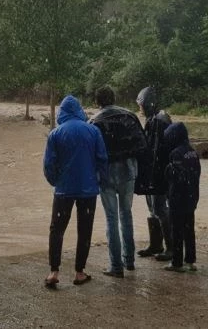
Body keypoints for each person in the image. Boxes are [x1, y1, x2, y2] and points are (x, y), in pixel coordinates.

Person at [43, 95, 108, 288]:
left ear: (62, 112)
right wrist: (99, 181)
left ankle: (54, 271)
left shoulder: (55, 134)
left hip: (64, 191)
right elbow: (102, 160)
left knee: (57, 230)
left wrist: (56, 181)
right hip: (88, 190)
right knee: (84, 230)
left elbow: (49, 164)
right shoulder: (93, 131)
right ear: (79, 110)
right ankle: (79, 272)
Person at [90, 86, 147, 278]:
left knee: (111, 218)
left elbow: (92, 153)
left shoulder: (94, 122)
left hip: (106, 175)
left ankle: (116, 266)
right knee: (126, 215)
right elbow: (142, 144)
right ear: (114, 98)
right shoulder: (129, 116)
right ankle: (129, 260)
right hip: (129, 171)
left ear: (97, 102)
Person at [135, 86, 173, 262]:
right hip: (154, 172)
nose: (140, 108)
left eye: (141, 105)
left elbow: (157, 152)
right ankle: (156, 245)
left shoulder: (159, 120)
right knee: (153, 209)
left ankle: (171, 247)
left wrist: (152, 175)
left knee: (160, 209)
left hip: (158, 174)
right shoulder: (156, 119)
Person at [161, 122, 201, 272]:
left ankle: (177, 262)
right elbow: (196, 174)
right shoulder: (193, 152)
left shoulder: (175, 153)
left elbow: (175, 177)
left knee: (176, 231)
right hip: (191, 197)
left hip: (178, 199)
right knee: (189, 230)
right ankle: (190, 261)